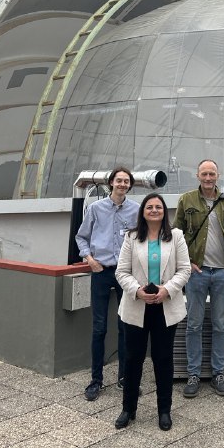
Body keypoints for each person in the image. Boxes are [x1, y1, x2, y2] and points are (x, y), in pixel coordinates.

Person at [114, 193, 191, 430]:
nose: (154, 210)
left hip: (165, 307)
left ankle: (164, 411)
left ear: (164, 211)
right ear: (143, 211)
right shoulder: (132, 236)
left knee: (163, 359)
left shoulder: (176, 236)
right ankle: (129, 409)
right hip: (137, 306)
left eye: (158, 207)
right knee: (132, 359)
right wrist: (137, 291)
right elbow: (121, 272)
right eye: (150, 206)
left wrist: (167, 289)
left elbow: (184, 269)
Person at [174, 159, 224, 398]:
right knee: (193, 324)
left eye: (212, 173)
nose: (208, 177)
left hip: (222, 273)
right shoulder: (187, 200)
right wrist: (186, 264)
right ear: (198, 175)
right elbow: (176, 235)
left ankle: (218, 373)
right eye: (204, 173)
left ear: (218, 175)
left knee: (221, 325)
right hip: (197, 272)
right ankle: (193, 374)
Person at [76, 166, 139, 401]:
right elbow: (81, 236)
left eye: (126, 181)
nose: (122, 184)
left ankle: (125, 378)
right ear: (111, 182)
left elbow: (141, 238)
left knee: (126, 326)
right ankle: (96, 380)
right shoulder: (95, 208)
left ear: (129, 185)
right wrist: (90, 259)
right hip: (101, 271)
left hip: (125, 273)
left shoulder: (136, 210)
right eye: (119, 180)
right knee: (99, 327)